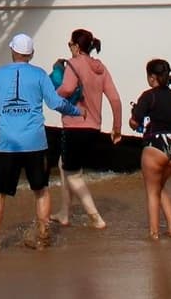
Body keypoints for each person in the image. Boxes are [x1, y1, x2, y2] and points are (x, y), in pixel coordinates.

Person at [0, 32, 81, 253]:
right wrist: (76, 111)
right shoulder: (39, 75)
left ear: (12, 51)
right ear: (32, 54)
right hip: (35, 143)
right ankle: (43, 238)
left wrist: (0, 128)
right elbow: (56, 103)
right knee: (41, 190)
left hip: (6, 143)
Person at [51, 27, 123, 229]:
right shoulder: (101, 68)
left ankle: (95, 218)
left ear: (75, 46)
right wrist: (117, 128)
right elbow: (115, 100)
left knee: (72, 173)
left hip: (75, 128)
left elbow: (66, 89)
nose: (69, 48)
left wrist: (52, 93)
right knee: (65, 165)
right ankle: (64, 212)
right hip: (94, 129)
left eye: (70, 45)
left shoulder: (73, 65)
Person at [131, 58, 171, 240]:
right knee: (159, 187)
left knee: (152, 192)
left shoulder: (149, 96)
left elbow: (134, 122)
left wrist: (133, 117)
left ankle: (154, 233)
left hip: (155, 145)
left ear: (152, 77)